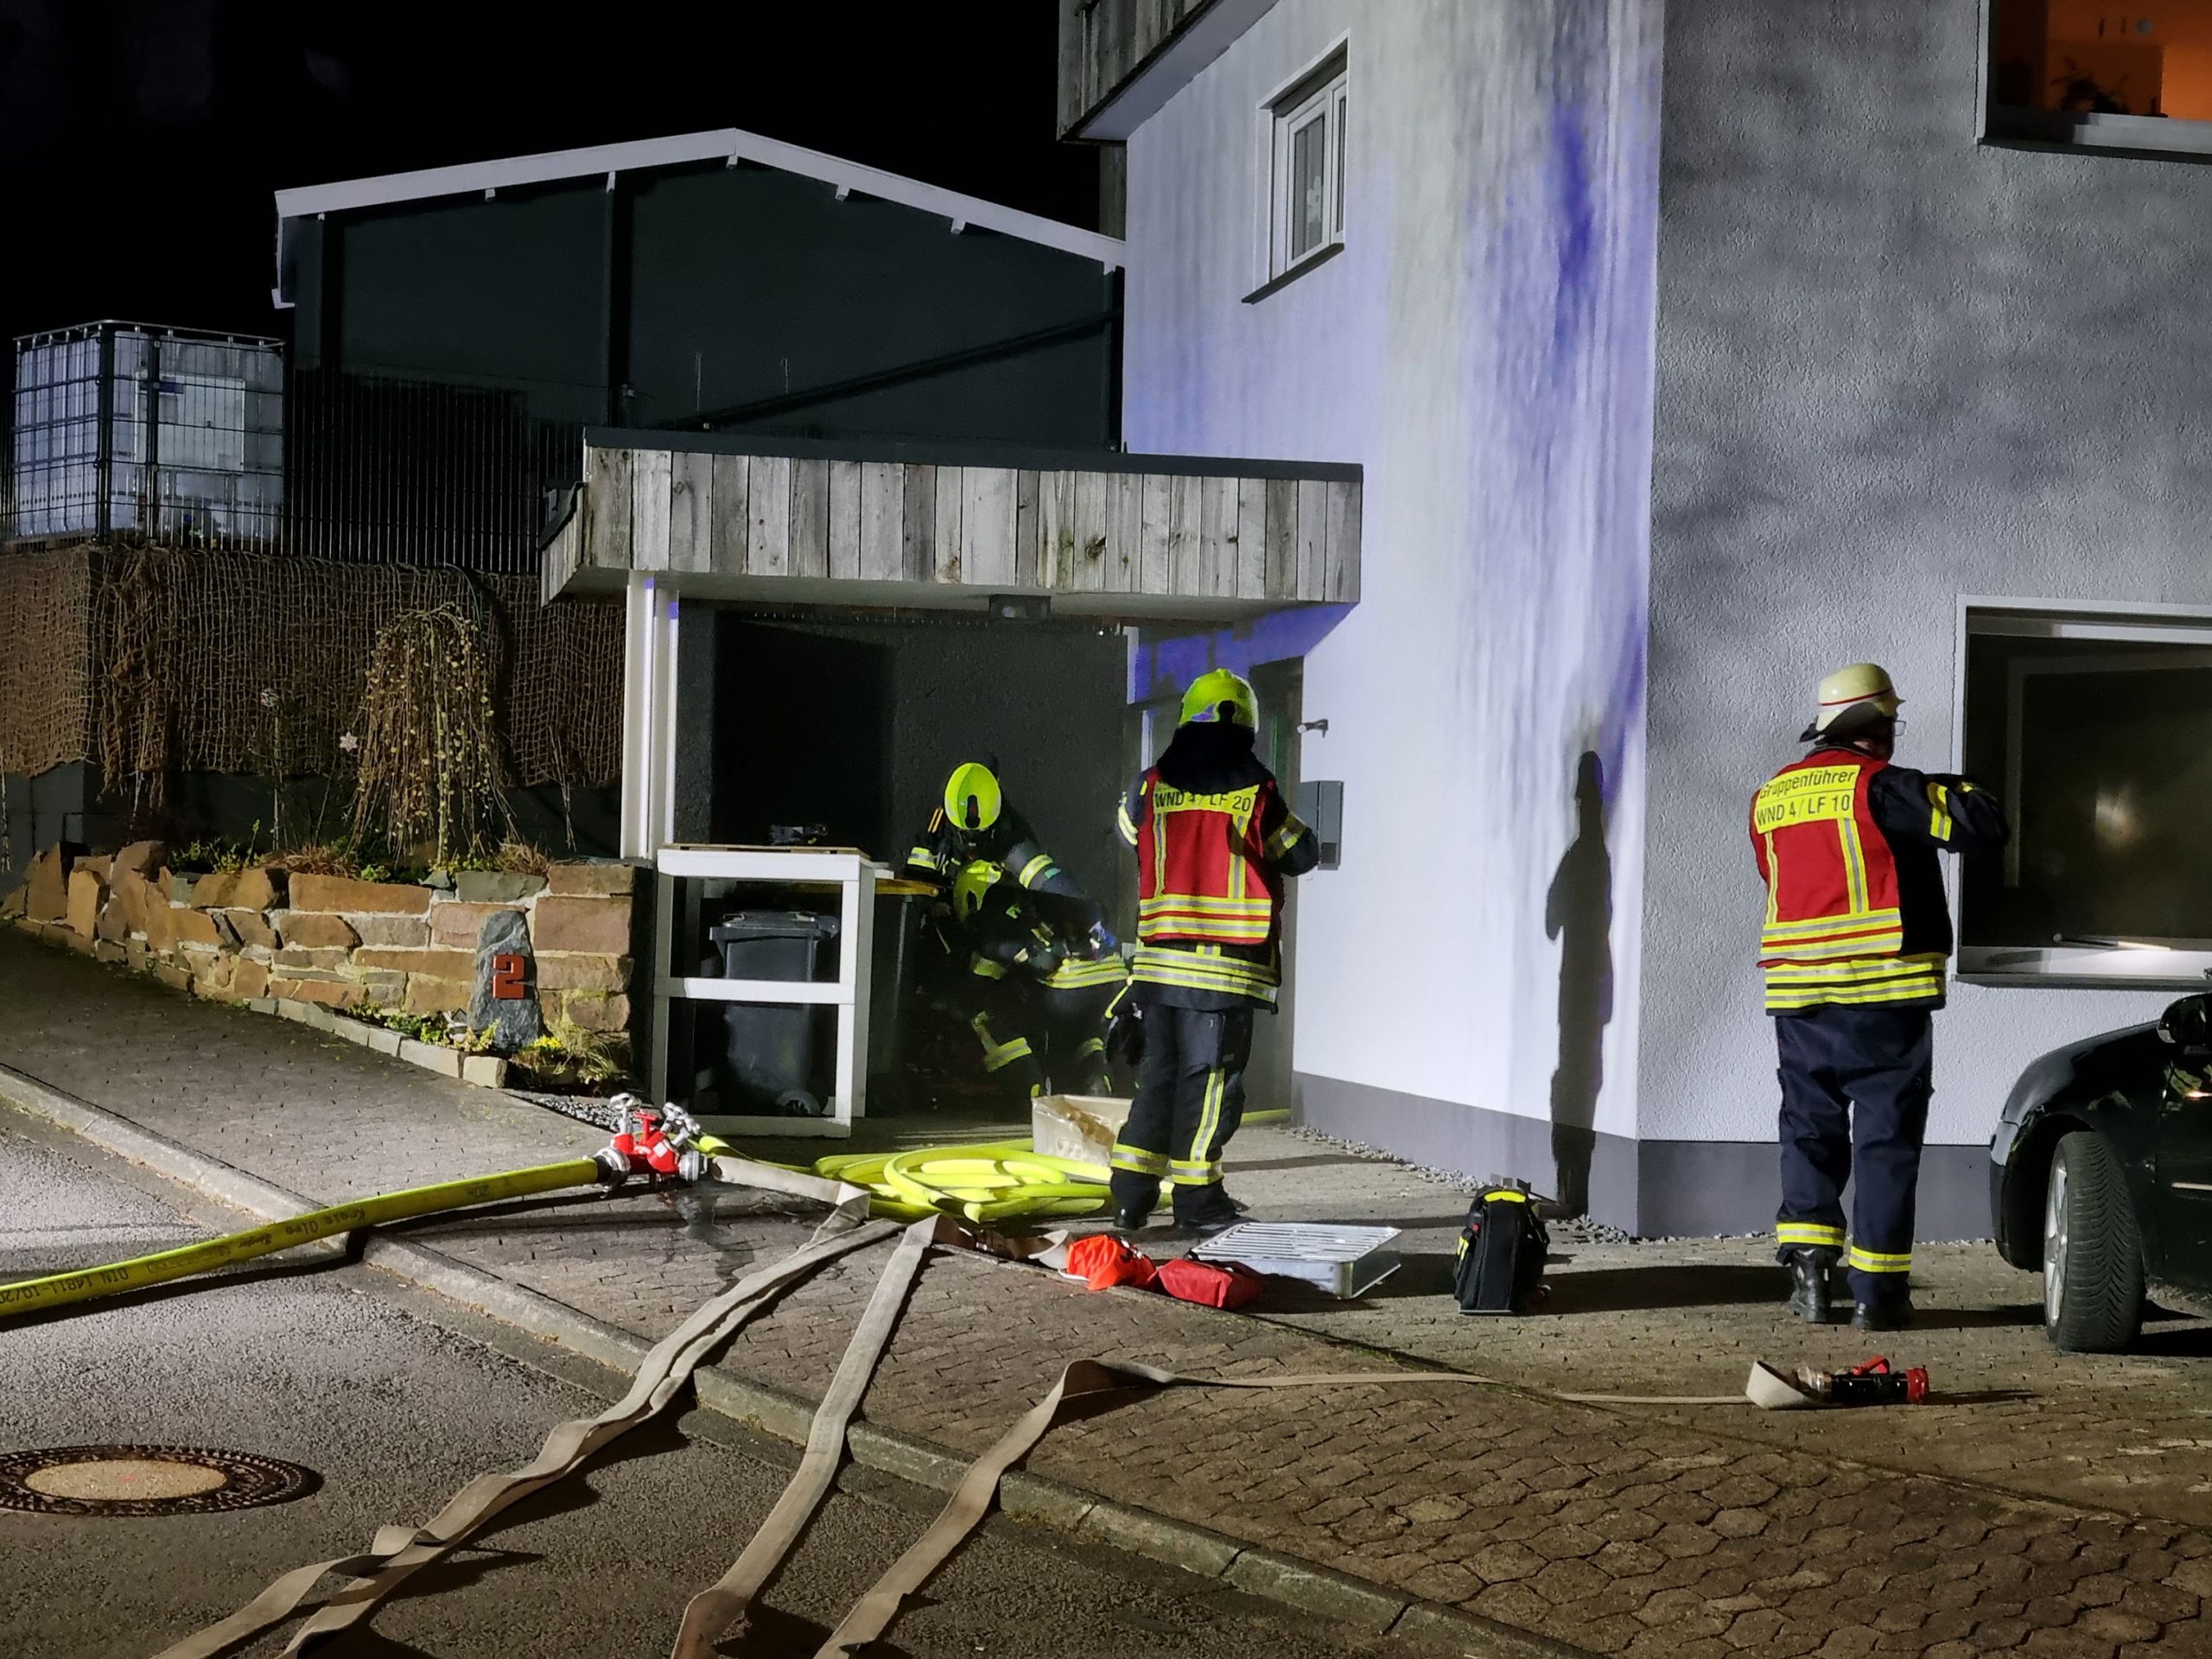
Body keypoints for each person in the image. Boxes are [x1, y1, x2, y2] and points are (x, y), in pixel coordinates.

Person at [1751, 663, 2007, 1331]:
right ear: (1878, 726)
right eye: (1891, 723)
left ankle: (1810, 1277)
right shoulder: (1886, 788)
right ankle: (1878, 1295)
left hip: (1799, 1000)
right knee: (1885, 1144)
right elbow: (1982, 827)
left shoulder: (1770, 797)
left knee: (1809, 1132)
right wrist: (1952, 784)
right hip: (1884, 999)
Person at [1109, 669, 1318, 1233]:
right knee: (1208, 1085)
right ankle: (1198, 1202)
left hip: (1159, 967)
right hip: (1223, 974)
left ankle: (1130, 1196)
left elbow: (1128, 833)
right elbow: (1302, 855)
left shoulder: (1151, 785)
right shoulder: (1257, 792)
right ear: (1247, 725)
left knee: (1158, 1076)